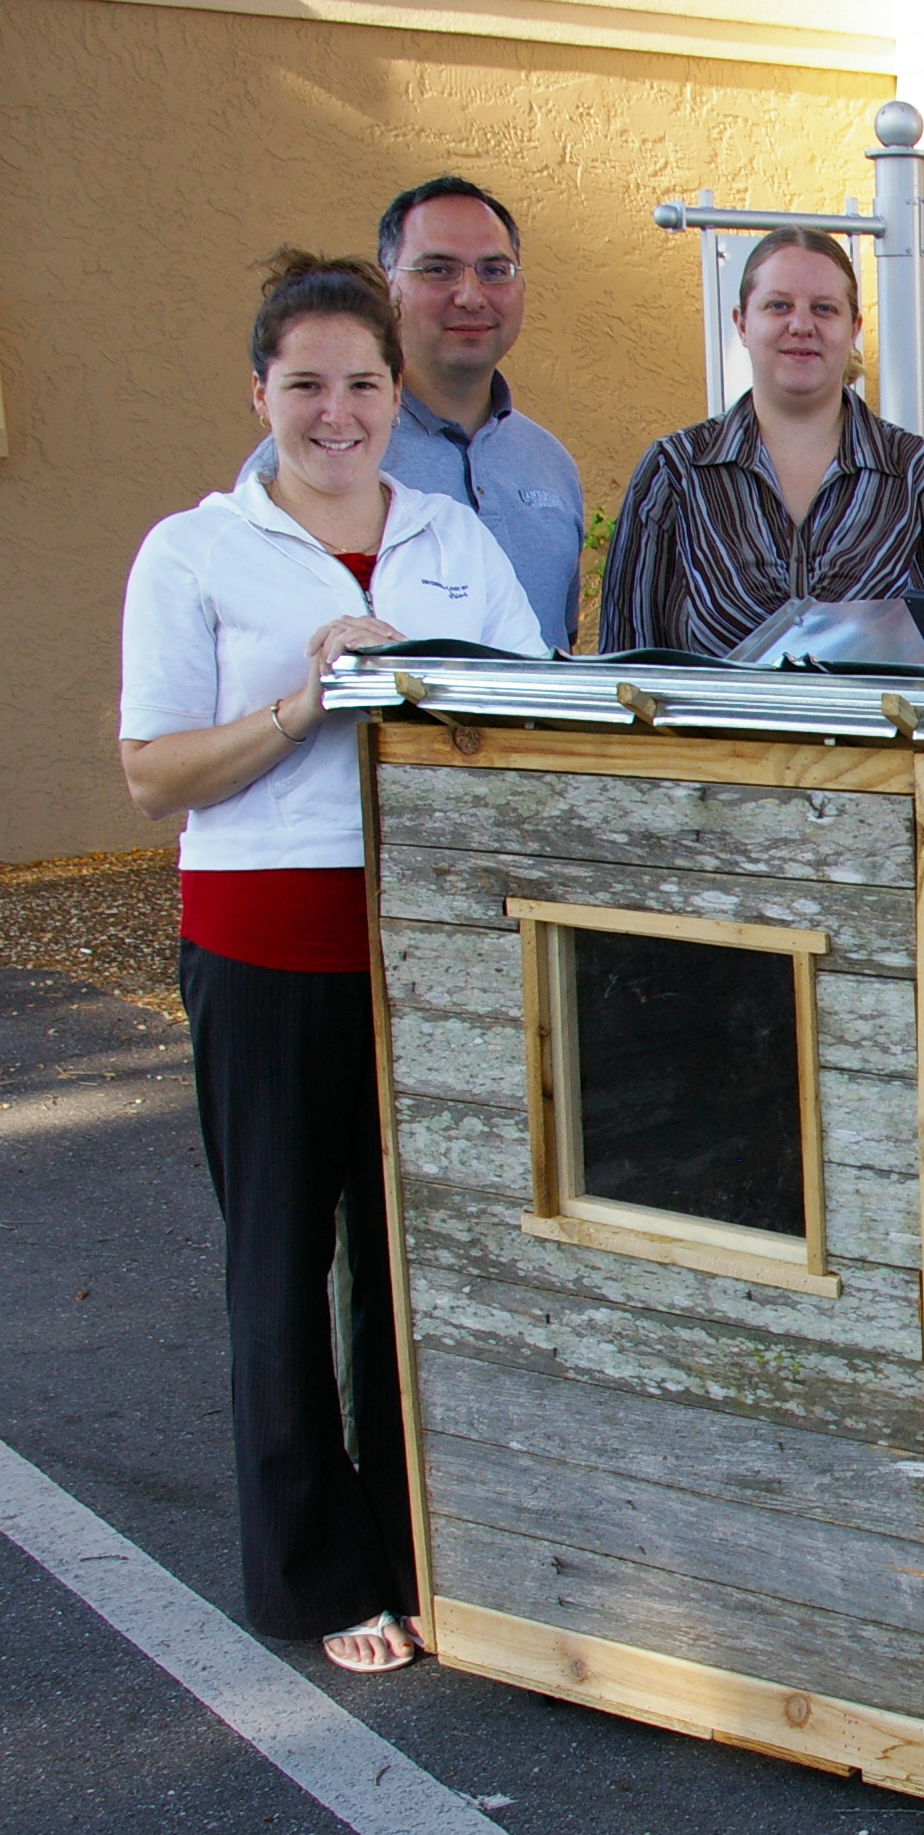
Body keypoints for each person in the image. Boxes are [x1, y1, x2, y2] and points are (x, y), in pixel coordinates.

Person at [123, 252, 544, 1671]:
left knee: (409, 1267)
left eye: (362, 382)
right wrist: (305, 704)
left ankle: (422, 1550)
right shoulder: (196, 551)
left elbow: (525, 715)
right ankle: (318, 1575)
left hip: (421, 947)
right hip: (263, 952)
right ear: (260, 393)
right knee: (282, 1268)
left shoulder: (449, 538)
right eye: (304, 383)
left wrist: (425, 686)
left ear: (393, 389)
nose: (336, 412)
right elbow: (152, 772)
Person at [597, 228, 924, 652]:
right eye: (778, 306)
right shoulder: (675, 472)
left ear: (853, 328)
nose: (802, 325)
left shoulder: (920, 475)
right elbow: (626, 663)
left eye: (824, 309)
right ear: (742, 324)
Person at [239, 177, 584, 652]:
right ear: (388, 288)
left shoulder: (550, 463)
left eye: (495, 270)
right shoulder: (317, 455)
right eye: (438, 270)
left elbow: (556, 646)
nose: (470, 295)